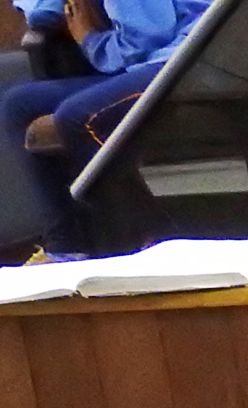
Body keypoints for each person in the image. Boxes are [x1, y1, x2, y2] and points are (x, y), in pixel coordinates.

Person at [0, 0, 206, 259]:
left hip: (188, 59)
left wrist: (90, 40)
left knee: (79, 117)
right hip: (145, 62)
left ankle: (154, 238)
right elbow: (45, 13)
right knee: (19, 105)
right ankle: (65, 249)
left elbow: (144, 40)